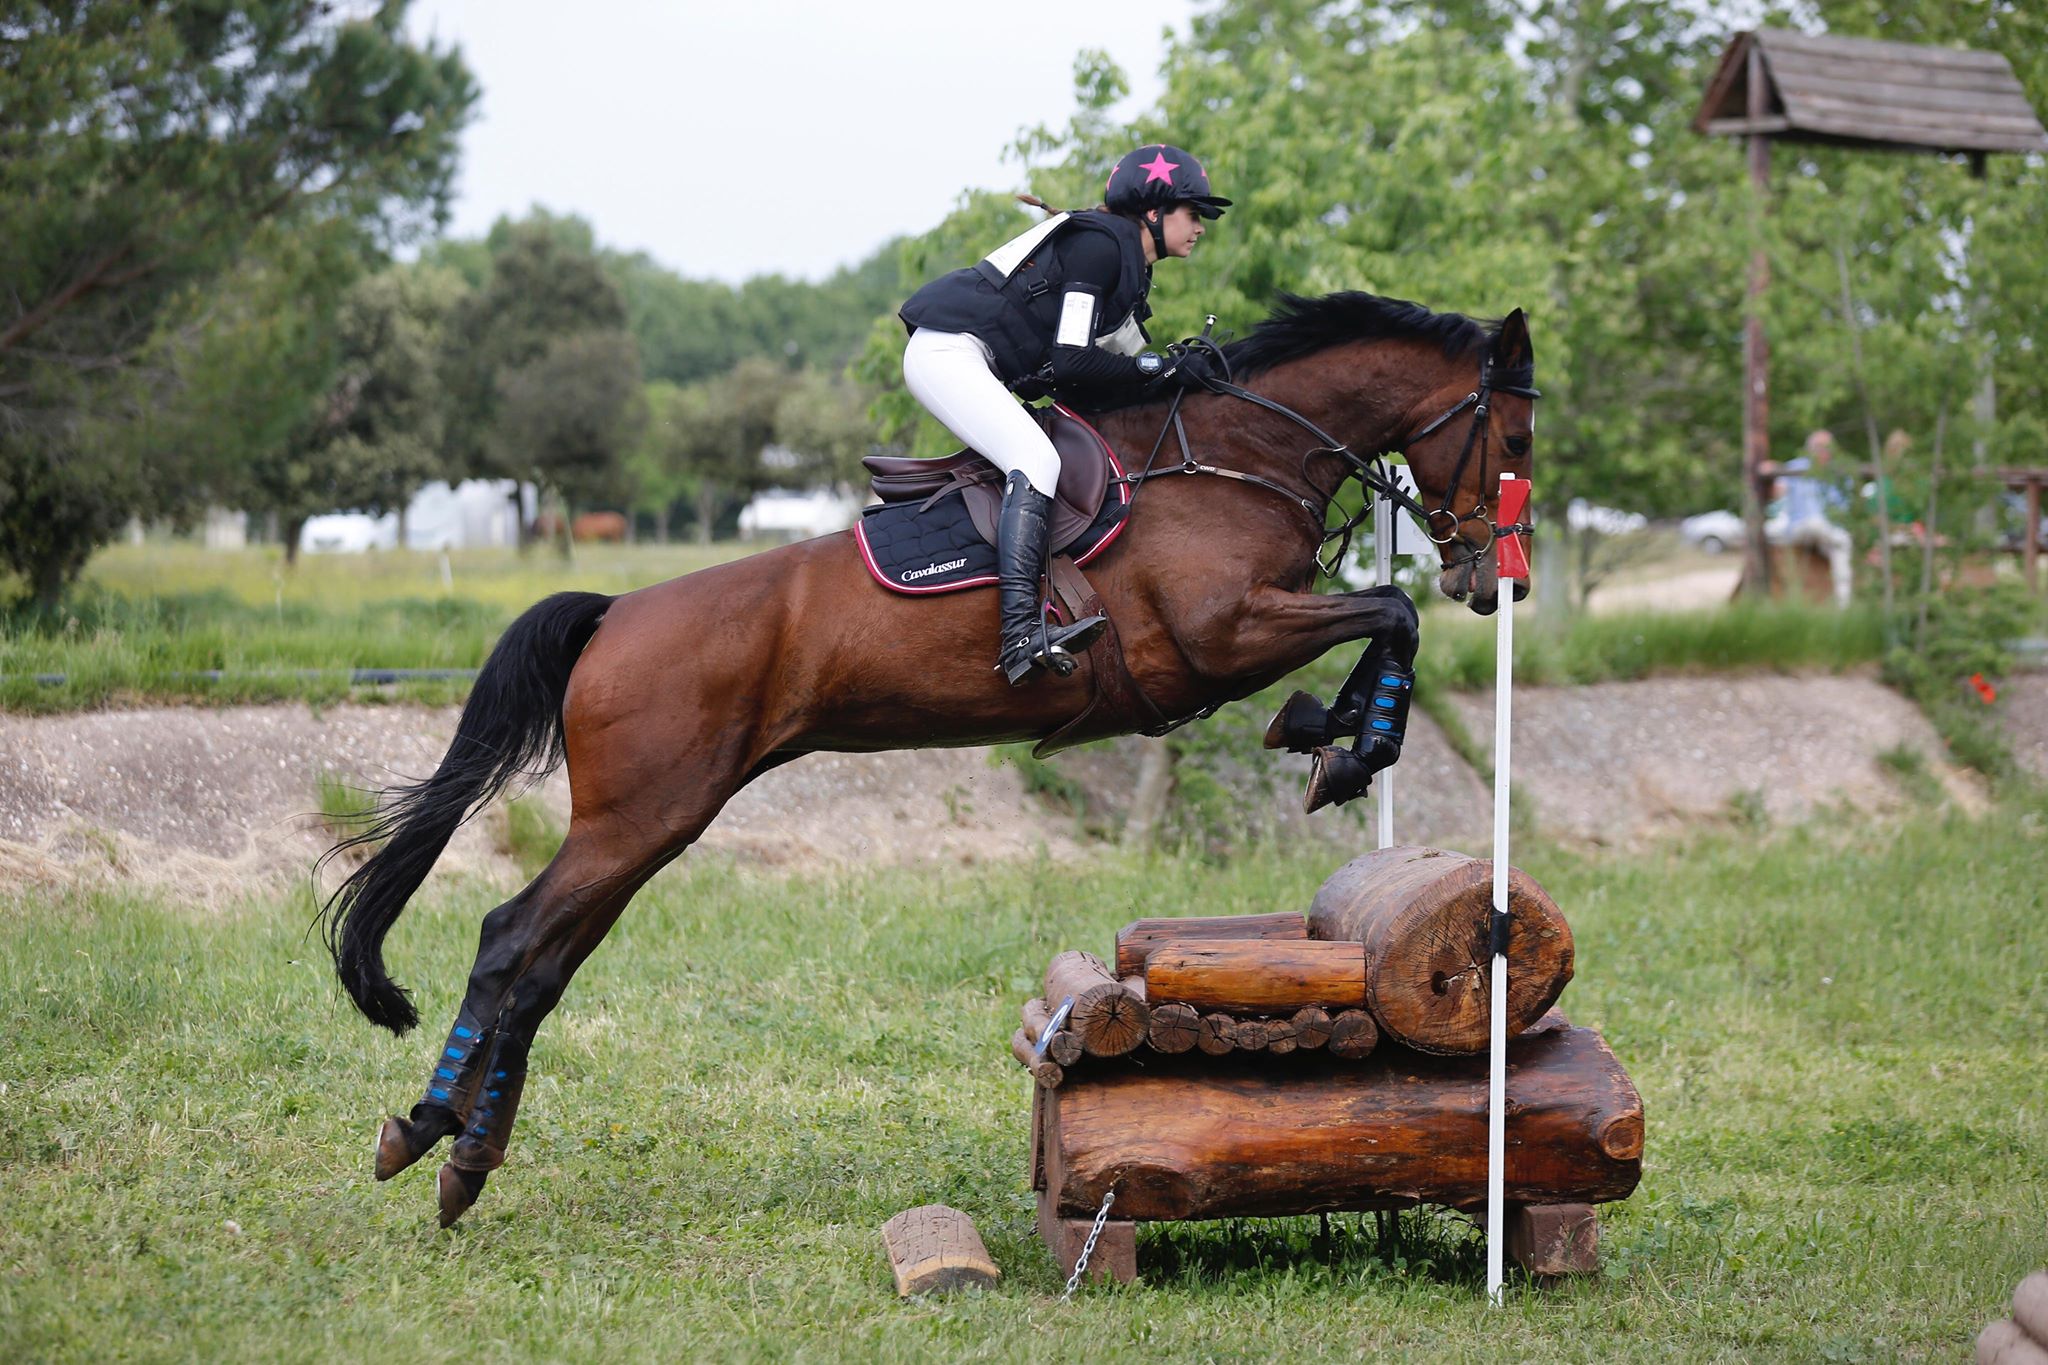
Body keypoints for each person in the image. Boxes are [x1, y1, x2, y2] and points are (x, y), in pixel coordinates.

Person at [898, 144, 1230, 683]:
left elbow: (1128, 366)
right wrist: (1160, 369)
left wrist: (1179, 372)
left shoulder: (1126, 266)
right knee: (1037, 459)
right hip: (948, 353)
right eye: (1193, 214)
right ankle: (1020, 636)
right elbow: (1072, 359)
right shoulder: (1100, 249)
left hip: (967, 354)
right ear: (1153, 211)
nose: (1200, 227)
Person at [1762, 429, 1852, 607]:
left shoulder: (1840, 472)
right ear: (1810, 449)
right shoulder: (1795, 467)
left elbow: (1847, 508)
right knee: (1817, 525)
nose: (1824, 452)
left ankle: (1844, 605)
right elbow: (1778, 492)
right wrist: (1771, 471)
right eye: (1819, 447)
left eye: (1827, 448)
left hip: (1829, 532)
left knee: (1841, 543)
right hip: (1800, 528)